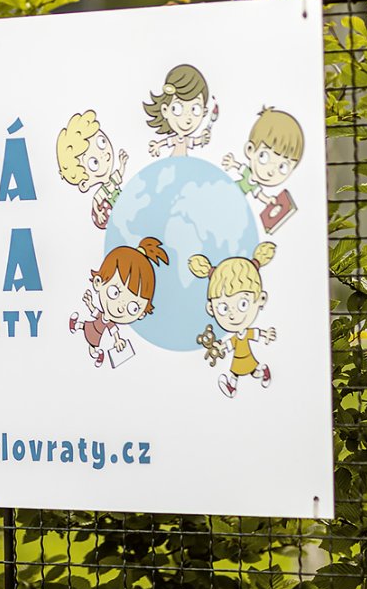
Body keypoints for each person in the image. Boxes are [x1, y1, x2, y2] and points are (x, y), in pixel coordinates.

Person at [188, 242, 277, 397]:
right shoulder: (238, 336)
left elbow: (254, 334)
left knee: (241, 372)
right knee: (246, 372)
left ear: (261, 299)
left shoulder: (245, 333)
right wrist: (221, 348)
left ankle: (246, 380)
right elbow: (230, 344)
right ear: (211, 308)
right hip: (241, 358)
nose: (232, 315)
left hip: (244, 358)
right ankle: (258, 374)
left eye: (243, 304)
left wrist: (266, 334)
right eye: (223, 308)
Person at [70, 237, 167, 367]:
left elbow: (113, 331)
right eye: (114, 292)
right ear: (98, 283)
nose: (120, 308)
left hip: (97, 334)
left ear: (142, 313)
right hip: (93, 326)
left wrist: (118, 340)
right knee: (84, 326)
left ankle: (97, 355)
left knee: (91, 345)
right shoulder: (104, 316)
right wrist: (89, 303)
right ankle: (75, 326)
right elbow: (95, 312)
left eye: (133, 308)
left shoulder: (110, 322)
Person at [222, 107, 304, 233]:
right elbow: (241, 168)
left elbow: (259, 194)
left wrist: (268, 200)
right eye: (264, 157)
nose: (271, 171)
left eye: (282, 167)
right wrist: (232, 163)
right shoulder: (248, 173)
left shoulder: (254, 186)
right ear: (250, 150)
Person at [55, 110, 129, 228]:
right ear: (84, 184)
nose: (104, 155)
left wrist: (122, 164)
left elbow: (119, 174)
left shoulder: (112, 180)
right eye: (94, 162)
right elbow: (95, 201)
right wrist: (99, 213)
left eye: (102, 142)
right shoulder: (102, 192)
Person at [143, 64, 216, 158]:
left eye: (195, 109)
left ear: (204, 112)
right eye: (177, 109)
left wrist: (204, 138)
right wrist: (157, 145)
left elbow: (196, 141)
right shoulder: (176, 139)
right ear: (165, 110)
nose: (187, 118)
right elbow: (167, 142)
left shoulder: (186, 140)